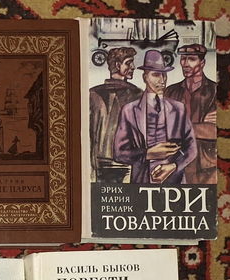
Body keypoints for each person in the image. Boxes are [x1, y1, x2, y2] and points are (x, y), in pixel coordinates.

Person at [113, 49, 196, 184]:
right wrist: (147, 153)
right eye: (156, 75)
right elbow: (119, 153)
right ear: (145, 77)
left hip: (174, 182)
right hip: (142, 182)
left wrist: (173, 166)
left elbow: (192, 148)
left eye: (164, 75)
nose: (162, 80)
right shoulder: (129, 110)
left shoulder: (179, 108)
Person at [163, 43, 217, 184]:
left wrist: (178, 127)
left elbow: (215, 131)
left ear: (202, 63)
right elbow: (162, 128)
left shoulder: (215, 91)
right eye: (183, 59)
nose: (185, 64)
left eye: (191, 59)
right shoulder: (170, 92)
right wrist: (201, 127)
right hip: (175, 164)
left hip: (206, 166)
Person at [89, 47, 141, 181]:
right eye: (128, 63)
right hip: (122, 160)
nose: (133, 67)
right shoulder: (137, 95)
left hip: (101, 159)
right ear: (118, 65)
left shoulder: (92, 93)